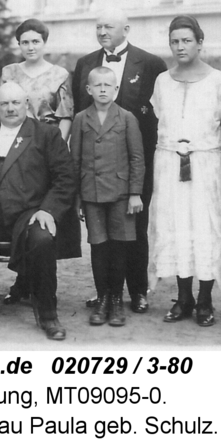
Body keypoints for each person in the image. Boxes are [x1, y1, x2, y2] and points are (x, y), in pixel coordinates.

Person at [149, 15, 221, 327]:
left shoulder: (218, 81)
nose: (180, 46)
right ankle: (183, 298)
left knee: (204, 228)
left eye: (187, 40)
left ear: (200, 43)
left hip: (206, 165)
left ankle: (205, 300)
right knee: (176, 225)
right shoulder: (163, 81)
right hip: (169, 164)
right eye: (175, 41)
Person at [71, 8, 166, 314]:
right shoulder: (85, 64)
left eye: (108, 26)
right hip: (95, 172)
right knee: (101, 238)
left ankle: (137, 291)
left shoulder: (151, 63)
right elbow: (80, 119)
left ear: (126, 28)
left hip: (133, 167)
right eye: (98, 27)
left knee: (133, 230)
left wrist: (137, 181)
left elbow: (154, 117)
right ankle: (107, 293)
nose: (102, 32)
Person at [0, 82, 79, 341]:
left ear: (26, 104)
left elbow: (65, 178)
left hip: (29, 213)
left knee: (41, 239)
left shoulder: (46, 135)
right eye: (4, 103)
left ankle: (48, 314)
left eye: (15, 102)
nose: (10, 108)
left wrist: (48, 210)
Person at [71, 67, 145, 327]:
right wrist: (78, 198)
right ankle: (102, 298)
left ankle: (116, 300)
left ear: (116, 89)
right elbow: (75, 160)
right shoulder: (81, 118)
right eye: (97, 85)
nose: (103, 89)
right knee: (99, 247)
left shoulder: (126, 118)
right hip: (92, 194)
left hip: (121, 195)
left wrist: (135, 193)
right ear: (88, 90)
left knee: (120, 248)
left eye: (108, 85)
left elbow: (137, 158)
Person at [0, 18, 74, 141]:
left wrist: (57, 146)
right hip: (13, 139)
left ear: (44, 42)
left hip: (47, 140)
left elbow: (66, 117)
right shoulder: (9, 72)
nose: (30, 47)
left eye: (35, 42)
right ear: (19, 45)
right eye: (25, 42)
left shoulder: (59, 75)